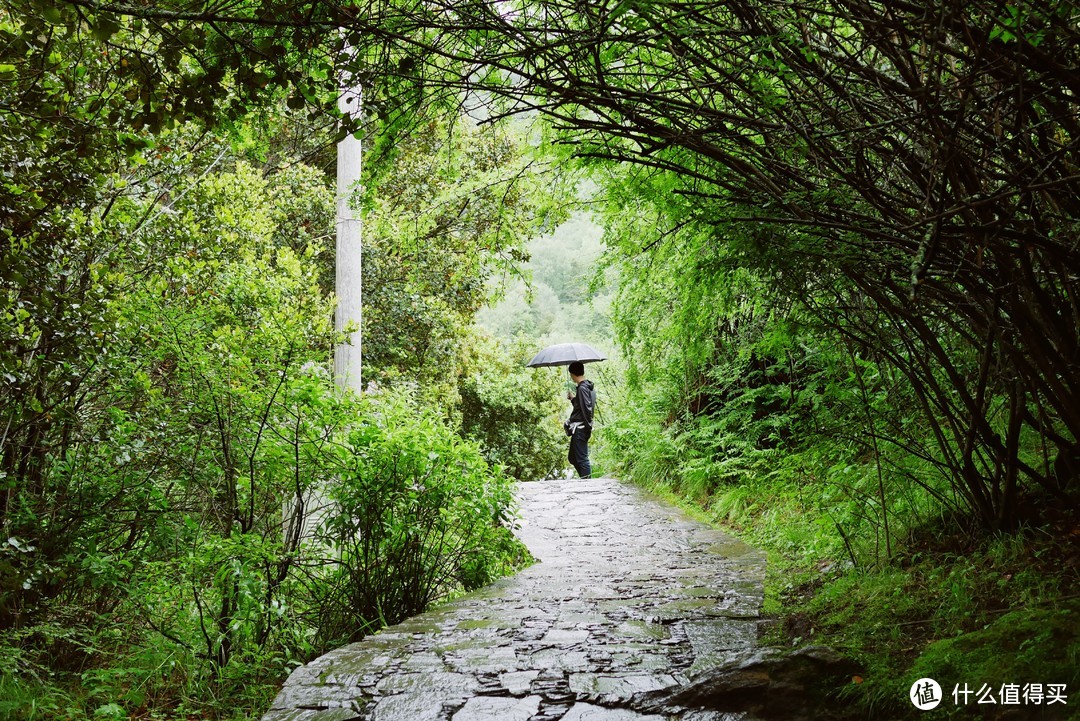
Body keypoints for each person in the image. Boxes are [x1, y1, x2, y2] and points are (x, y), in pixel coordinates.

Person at [564, 361, 595, 478]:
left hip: (581, 428)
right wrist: (573, 399)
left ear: (572, 374)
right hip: (581, 427)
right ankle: (584, 477)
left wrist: (588, 427)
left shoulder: (582, 388)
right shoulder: (587, 386)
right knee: (572, 457)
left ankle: (587, 482)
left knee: (582, 459)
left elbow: (586, 409)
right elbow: (582, 405)